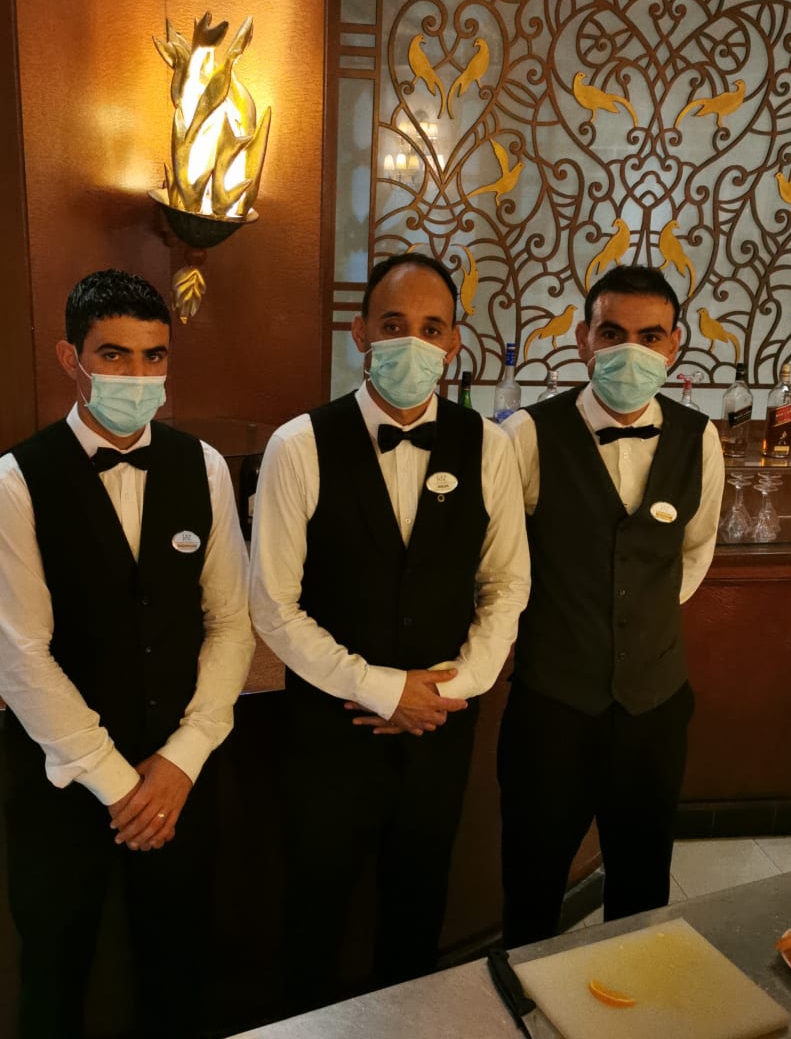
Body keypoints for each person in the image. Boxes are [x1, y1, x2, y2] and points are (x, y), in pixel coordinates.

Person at [249, 252, 530, 1012]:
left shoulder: (490, 445)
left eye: (432, 328)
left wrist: (451, 689)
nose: (413, 342)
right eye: (394, 324)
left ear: (454, 342)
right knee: (313, 913)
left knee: (418, 909)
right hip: (328, 736)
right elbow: (273, 605)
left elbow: (507, 583)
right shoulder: (298, 445)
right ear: (361, 332)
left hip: (440, 730)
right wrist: (380, 689)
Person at [0, 269, 255, 1038]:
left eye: (154, 356)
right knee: (54, 979)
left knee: (177, 974)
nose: (138, 375)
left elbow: (231, 622)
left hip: (180, 774)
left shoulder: (203, 466)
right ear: (70, 359)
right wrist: (121, 787)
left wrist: (182, 759)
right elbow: (20, 655)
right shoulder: (15, 480)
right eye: (113, 355)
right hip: (62, 785)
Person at [498, 264, 724, 948]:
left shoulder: (699, 437)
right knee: (532, 884)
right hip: (551, 707)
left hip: (656, 709)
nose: (631, 350)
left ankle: (633, 1000)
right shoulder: (526, 435)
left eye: (649, 336)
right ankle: (524, 997)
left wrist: (636, 616)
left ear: (674, 345)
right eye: (612, 333)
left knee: (643, 890)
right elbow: (500, 564)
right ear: (583, 340)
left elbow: (694, 552)